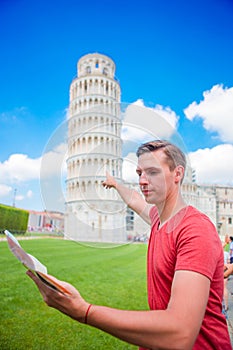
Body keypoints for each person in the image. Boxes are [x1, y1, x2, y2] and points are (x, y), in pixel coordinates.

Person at [27, 140, 231, 349]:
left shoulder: (195, 229)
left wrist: (84, 312)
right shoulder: (159, 219)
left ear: (177, 174)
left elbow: (180, 334)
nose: (142, 180)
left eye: (152, 172)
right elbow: (135, 200)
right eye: (139, 173)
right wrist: (116, 184)